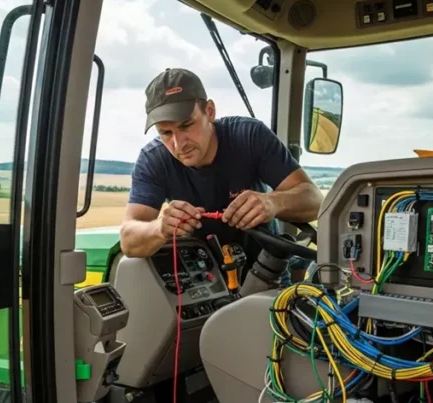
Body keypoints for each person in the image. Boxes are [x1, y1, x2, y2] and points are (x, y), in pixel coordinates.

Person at [119, 68, 323, 280]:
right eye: (166, 133)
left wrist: (273, 203)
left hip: (266, 276)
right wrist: (160, 228)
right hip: (200, 283)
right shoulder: (154, 159)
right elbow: (128, 240)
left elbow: (315, 201)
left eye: (186, 125)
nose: (179, 144)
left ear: (209, 111)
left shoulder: (249, 137)